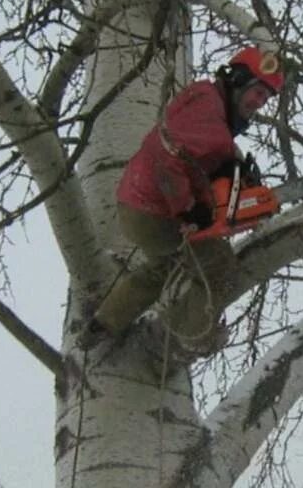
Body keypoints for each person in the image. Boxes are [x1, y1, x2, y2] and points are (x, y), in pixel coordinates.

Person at [89, 46, 285, 361]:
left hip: (136, 202)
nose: (258, 104)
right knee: (218, 265)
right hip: (156, 211)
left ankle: (103, 323)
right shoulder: (210, 113)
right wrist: (189, 209)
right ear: (238, 80)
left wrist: (231, 167)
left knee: (162, 266)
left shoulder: (205, 99)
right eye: (257, 93)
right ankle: (186, 337)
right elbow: (169, 156)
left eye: (265, 99)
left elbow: (197, 148)